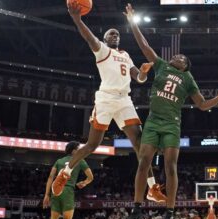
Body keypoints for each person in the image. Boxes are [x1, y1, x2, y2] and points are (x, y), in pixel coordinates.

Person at [122, 4, 218, 219]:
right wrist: (133, 22)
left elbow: (202, 104)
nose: (177, 56)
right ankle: (136, 209)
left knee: (170, 167)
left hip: (172, 124)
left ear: (185, 65)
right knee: (143, 160)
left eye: (181, 57)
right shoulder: (161, 66)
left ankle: (169, 215)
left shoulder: (188, 79)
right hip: (154, 121)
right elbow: (144, 46)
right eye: (176, 55)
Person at [52, 0, 166, 203]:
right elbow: (89, 37)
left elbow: (138, 78)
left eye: (118, 34)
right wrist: (77, 19)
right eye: (111, 34)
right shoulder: (102, 50)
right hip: (105, 99)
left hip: (124, 101)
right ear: (105, 38)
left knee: (140, 145)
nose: (115, 35)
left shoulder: (125, 55)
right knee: (91, 145)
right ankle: (65, 173)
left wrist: (144, 73)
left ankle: (151, 188)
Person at [43, 141, 94, 219]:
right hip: (67, 190)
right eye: (79, 149)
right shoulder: (80, 160)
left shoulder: (59, 161)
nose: (81, 151)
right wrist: (84, 182)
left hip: (55, 191)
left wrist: (46, 194)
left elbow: (50, 177)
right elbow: (91, 177)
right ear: (74, 151)